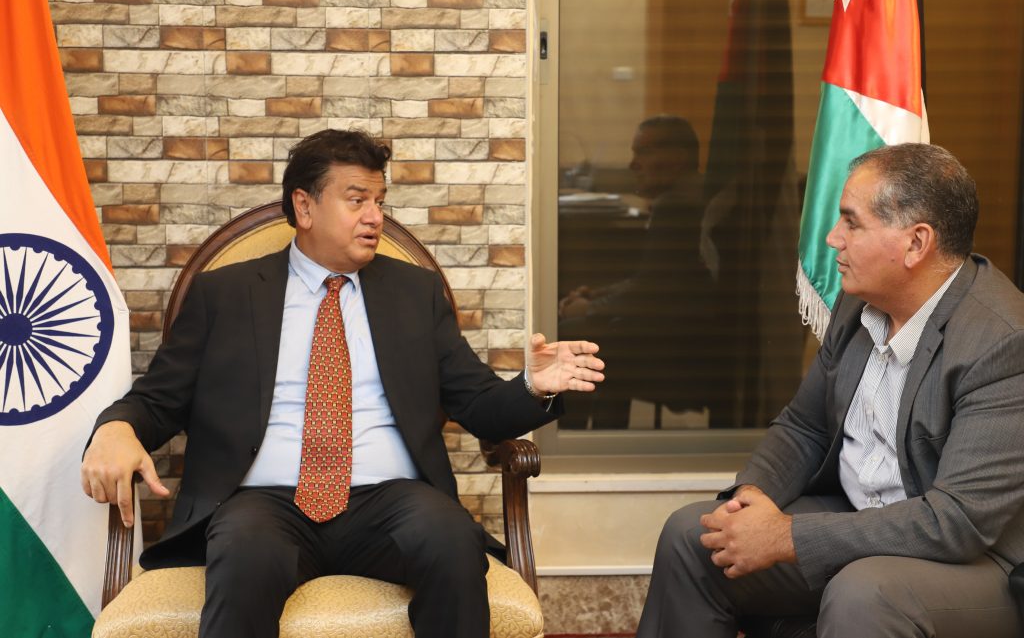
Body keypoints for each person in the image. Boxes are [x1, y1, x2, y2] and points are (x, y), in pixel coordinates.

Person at [80, 129, 605, 638]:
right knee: (244, 558)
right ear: (304, 207)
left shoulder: (414, 293)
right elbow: (158, 400)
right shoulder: (224, 294)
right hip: (263, 501)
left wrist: (533, 385)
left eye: (379, 201)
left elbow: (478, 403)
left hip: (391, 500)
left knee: (451, 541)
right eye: (357, 200)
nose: (375, 217)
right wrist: (115, 429)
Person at [637, 143, 1024, 638]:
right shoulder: (858, 303)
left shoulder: (1003, 343)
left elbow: (956, 522)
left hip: (980, 563)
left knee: (862, 592)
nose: (832, 238)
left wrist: (788, 536)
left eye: (851, 223)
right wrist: (751, 498)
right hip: (859, 518)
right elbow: (804, 427)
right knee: (696, 536)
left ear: (916, 243)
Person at [558, 115, 724, 428]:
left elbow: (649, 294)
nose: (632, 164)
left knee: (573, 339)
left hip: (681, 351)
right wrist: (598, 295)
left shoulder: (678, 206)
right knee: (602, 335)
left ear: (677, 158)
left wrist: (590, 308)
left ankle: (572, 439)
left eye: (643, 152)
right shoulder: (695, 195)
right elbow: (653, 280)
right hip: (686, 336)